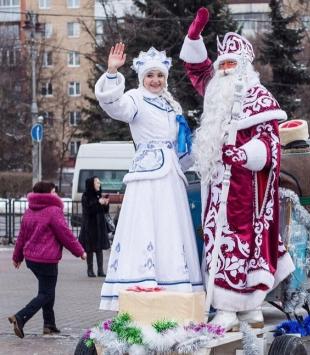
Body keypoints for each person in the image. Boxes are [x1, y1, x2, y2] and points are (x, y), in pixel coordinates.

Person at [180, 8, 294, 330]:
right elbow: (196, 69)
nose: (226, 70)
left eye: (232, 65)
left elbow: (271, 147)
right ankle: (227, 303)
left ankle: (242, 304)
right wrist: (194, 37)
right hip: (218, 191)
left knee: (243, 244)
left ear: (244, 68)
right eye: (223, 65)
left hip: (248, 193)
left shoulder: (260, 99)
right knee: (217, 241)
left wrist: (242, 155)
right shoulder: (216, 92)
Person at [94, 43, 203, 311]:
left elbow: (182, 146)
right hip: (147, 176)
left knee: (172, 228)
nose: (155, 81)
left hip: (172, 176)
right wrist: (111, 72)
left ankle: (174, 284)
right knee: (146, 225)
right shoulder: (135, 99)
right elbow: (113, 105)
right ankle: (143, 282)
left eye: (160, 76)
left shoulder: (172, 104)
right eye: (150, 76)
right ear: (142, 78)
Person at [9, 181, 86, 338]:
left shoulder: (29, 211)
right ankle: (20, 317)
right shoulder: (54, 211)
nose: (56, 194)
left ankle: (49, 325)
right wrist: (80, 252)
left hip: (32, 259)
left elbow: (21, 237)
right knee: (46, 293)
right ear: (46, 194)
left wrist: (17, 257)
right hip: (47, 260)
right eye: (53, 192)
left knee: (46, 291)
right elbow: (65, 235)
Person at [78, 176, 111, 277]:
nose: (99, 184)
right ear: (91, 184)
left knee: (99, 248)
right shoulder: (86, 196)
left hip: (99, 225)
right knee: (90, 248)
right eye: (97, 182)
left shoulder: (98, 195)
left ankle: (100, 270)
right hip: (90, 226)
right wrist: (98, 202)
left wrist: (106, 204)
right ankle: (90, 270)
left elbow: (104, 211)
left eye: (99, 182)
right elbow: (89, 211)